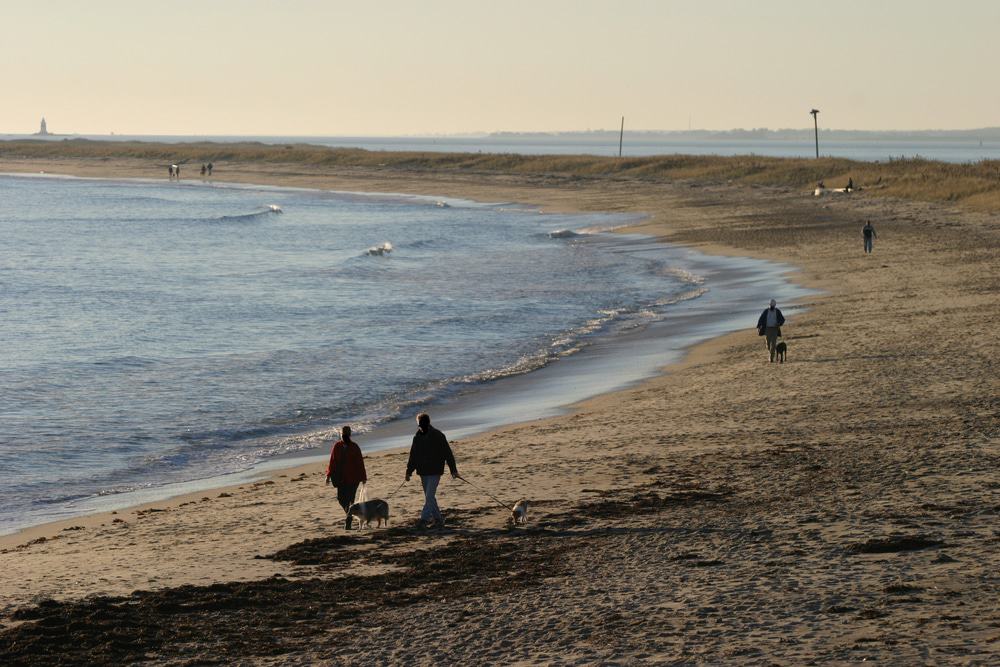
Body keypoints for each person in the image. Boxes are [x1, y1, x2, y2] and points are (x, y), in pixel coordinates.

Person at [405, 413, 458, 529]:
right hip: (423, 472)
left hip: (435, 470)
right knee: (430, 497)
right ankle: (438, 519)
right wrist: (409, 471)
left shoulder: (438, 435)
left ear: (427, 423)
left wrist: (453, 470)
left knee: (429, 496)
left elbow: (448, 453)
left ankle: (423, 520)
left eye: (422, 424)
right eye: (419, 424)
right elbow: (413, 455)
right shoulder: (417, 437)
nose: (420, 427)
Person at [325, 426, 367, 529]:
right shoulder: (340, 446)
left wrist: (363, 477)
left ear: (342, 434)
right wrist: (328, 475)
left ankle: (349, 518)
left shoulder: (351, 447)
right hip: (345, 478)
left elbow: (359, 463)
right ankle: (350, 514)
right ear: (350, 434)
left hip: (350, 478)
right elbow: (333, 462)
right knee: (343, 499)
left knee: (347, 499)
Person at [756, 299, 786, 363]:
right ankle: (771, 352)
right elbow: (761, 318)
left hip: (775, 329)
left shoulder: (777, 311)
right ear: (769, 305)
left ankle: (771, 357)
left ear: (775, 305)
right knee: (768, 344)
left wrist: (779, 323)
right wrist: (758, 326)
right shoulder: (766, 311)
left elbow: (782, 319)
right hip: (767, 329)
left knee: (774, 344)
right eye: (771, 306)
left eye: (773, 306)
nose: (771, 307)